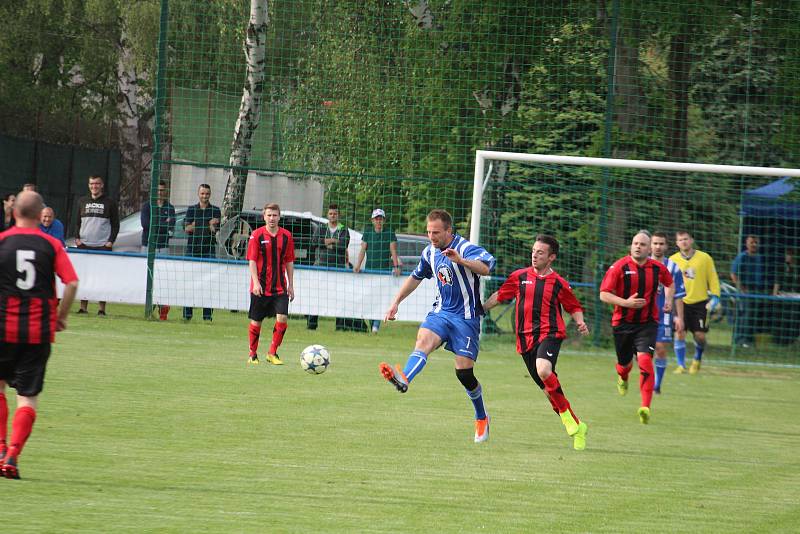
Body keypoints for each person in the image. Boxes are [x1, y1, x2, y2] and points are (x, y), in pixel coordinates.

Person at [379, 209, 496, 443]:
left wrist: (460, 261)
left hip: (466, 318)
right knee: (423, 340)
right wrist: (395, 303)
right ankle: (404, 379)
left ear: (449, 231)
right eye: (429, 232)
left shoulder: (464, 247)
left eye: (436, 232)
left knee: (464, 373)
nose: (431, 236)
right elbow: (415, 277)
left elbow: (487, 267)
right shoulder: (429, 252)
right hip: (442, 313)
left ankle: (481, 416)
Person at [484, 234, 590, 450]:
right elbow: (500, 296)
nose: (534, 255)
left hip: (550, 334)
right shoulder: (519, 276)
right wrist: (479, 309)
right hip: (525, 340)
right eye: (533, 251)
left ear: (551, 257)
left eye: (540, 252)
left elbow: (574, 306)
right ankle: (577, 424)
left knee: (544, 370)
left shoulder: (558, 283)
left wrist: (580, 322)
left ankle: (569, 421)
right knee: (548, 391)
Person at [0, 191, 79, 479]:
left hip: (3, 328)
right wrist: (61, 318)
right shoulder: (51, 244)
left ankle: (0, 447)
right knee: (27, 398)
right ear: (39, 215)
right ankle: (12, 456)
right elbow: (71, 283)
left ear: (14, 212)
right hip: (37, 332)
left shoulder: (2, 242)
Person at [599, 230, 674, 424]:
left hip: (647, 324)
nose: (638, 246)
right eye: (635, 243)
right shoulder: (619, 267)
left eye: (642, 244)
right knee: (624, 365)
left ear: (649, 249)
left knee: (646, 361)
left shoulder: (658, 268)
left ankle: (645, 407)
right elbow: (604, 294)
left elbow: (669, 283)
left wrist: (668, 300)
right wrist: (626, 303)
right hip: (622, 324)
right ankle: (623, 377)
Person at [246, 203, 295, 366]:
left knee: (282, 318)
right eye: (269, 215)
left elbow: (289, 261)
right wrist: (255, 282)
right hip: (260, 287)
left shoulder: (287, 236)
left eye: (275, 215)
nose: (272, 218)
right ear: (264, 216)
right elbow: (252, 261)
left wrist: (291, 285)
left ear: (279, 217)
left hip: (280, 287)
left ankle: (272, 352)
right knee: (256, 322)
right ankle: (253, 354)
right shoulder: (256, 235)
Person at [669, 230, 720, 374]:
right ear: (677, 243)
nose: (683, 242)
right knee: (679, 332)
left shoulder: (705, 258)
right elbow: (667, 281)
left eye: (686, 239)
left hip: (700, 303)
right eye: (680, 240)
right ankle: (681, 365)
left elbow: (713, 278)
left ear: (691, 240)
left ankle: (697, 359)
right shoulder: (672, 260)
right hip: (680, 302)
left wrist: (715, 296)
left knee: (700, 335)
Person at [75, 175, 119, 316]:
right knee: (84, 276)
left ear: (102, 185)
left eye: (97, 184)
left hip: (102, 246)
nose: (94, 186)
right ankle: (83, 307)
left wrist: (110, 241)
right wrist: (77, 239)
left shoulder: (110, 202)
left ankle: (101, 309)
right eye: (91, 184)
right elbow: (76, 222)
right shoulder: (82, 201)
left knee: (102, 277)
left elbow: (115, 225)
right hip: (84, 245)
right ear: (89, 185)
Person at [353, 208, 401, 333]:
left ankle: (375, 326)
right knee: (370, 299)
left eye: (381, 219)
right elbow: (362, 250)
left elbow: (393, 251)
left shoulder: (390, 233)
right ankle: (371, 325)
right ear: (372, 220)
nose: (379, 221)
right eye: (376, 219)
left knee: (381, 300)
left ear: (384, 220)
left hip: (384, 272)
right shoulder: (367, 233)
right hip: (370, 271)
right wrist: (358, 265)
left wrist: (396, 266)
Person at [650, 232, 685, 394]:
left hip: (664, 315)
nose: (658, 247)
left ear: (666, 246)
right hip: (642, 314)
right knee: (641, 351)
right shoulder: (642, 264)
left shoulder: (673, 267)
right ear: (650, 245)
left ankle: (657, 385)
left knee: (660, 348)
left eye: (661, 244)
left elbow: (678, 295)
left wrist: (679, 317)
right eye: (655, 243)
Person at [307, 204, 352, 331]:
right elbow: (314, 241)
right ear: (327, 215)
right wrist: (331, 241)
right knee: (316, 296)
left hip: (337, 268)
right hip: (320, 266)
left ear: (339, 215)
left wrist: (328, 243)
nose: (333, 216)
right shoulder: (321, 228)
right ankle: (311, 325)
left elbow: (343, 245)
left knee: (338, 297)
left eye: (335, 214)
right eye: (331, 213)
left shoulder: (344, 229)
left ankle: (340, 326)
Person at [183, 184, 221, 322]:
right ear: (198, 194)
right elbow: (187, 228)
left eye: (207, 194)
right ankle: (187, 315)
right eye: (202, 193)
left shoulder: (216, 210)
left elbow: (216, 230)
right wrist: (207, 223)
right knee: (189, 282)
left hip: (209, 250)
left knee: (209, 283)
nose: (204, 196)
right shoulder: (191, 209)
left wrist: (197, 225)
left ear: (210, 195)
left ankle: (207, 316)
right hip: (191, 250)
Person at [141, 181, 176, 320]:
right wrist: (163, 223)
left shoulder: (170, 207)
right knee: (147, 278)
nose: (160, 192)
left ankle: (162, 310)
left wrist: (157, 224)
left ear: (166, 191)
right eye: (158, 190)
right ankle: (149, 308)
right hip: (148, 246)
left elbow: (171, 226)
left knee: (163, 279)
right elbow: (145, 225)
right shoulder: (146, 206)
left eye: (162, 190)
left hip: (163, 247)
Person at [731, 235, 767, 347]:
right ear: (747, 243)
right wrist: (741, 288)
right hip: (745, 290)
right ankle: (741, 340)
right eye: (752, 242)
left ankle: (749, 339)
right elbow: (733, 274)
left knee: (753, 316)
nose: (754, 244)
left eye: (756, 242)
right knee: (745, 315)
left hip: (757, 291)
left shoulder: (760, 258)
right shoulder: (742, 257)